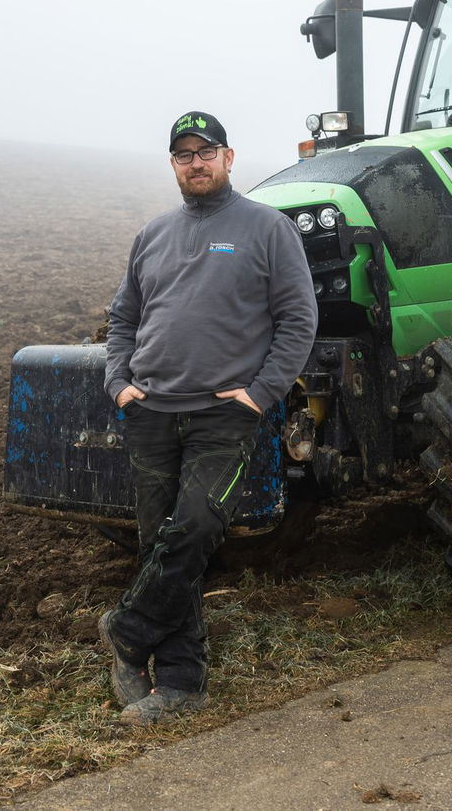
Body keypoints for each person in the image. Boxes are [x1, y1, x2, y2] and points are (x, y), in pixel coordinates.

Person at [98, 110, 317, 726]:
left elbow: (299, 320)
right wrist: (120, 384)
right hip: (151, 413)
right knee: (158, 543)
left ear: (228, 157)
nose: (195, 162)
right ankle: (180, 683)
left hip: (223, 415)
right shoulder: (154, 234)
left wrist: (261, 392)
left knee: (195, 528)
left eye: (206, 151)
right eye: (183, 154)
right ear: (173, 165)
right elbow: (123, 319)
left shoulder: (267, 229)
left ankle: (128, 628)